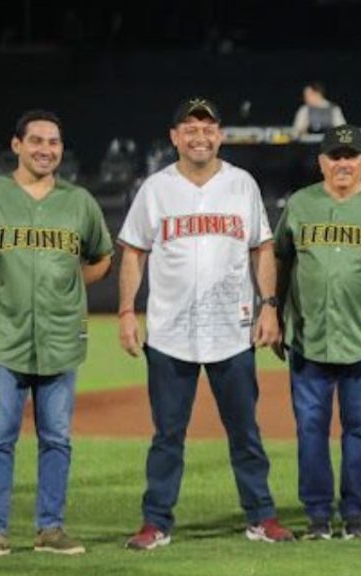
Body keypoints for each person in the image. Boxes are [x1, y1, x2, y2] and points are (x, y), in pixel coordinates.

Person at [117, 98, 293, 550]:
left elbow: (263, 247)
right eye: (190, 129)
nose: (200, 137)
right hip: (170, 333)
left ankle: (261, 516)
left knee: (245, 433)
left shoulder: (241, 184)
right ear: (174, 137)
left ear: (220, 135)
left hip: (231, 331)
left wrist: (269, 306)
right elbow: (134, 252)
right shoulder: (156, 188)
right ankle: (156, 522)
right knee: (167, 437)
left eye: (208, 128)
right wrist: (126, 312)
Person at [0, 110, 113, 560]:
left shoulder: (79, 202)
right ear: (17, 145)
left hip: (60, 337)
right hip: (2, 336)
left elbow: (102, 258)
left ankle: (50, 529)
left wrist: (69, 288)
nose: (46, 149)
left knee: (57, 438)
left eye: (54, 142)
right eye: (36, 140)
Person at [273, 124, 361, 540]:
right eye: (335, 156)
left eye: (351, 156)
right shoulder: (300, 205)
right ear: (321, 162)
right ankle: (318, 517)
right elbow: (281, 260)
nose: (343, 164)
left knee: (360, 430)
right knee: (310, 431)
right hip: (309, 339)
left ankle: (355, 516)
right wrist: (274, 314)